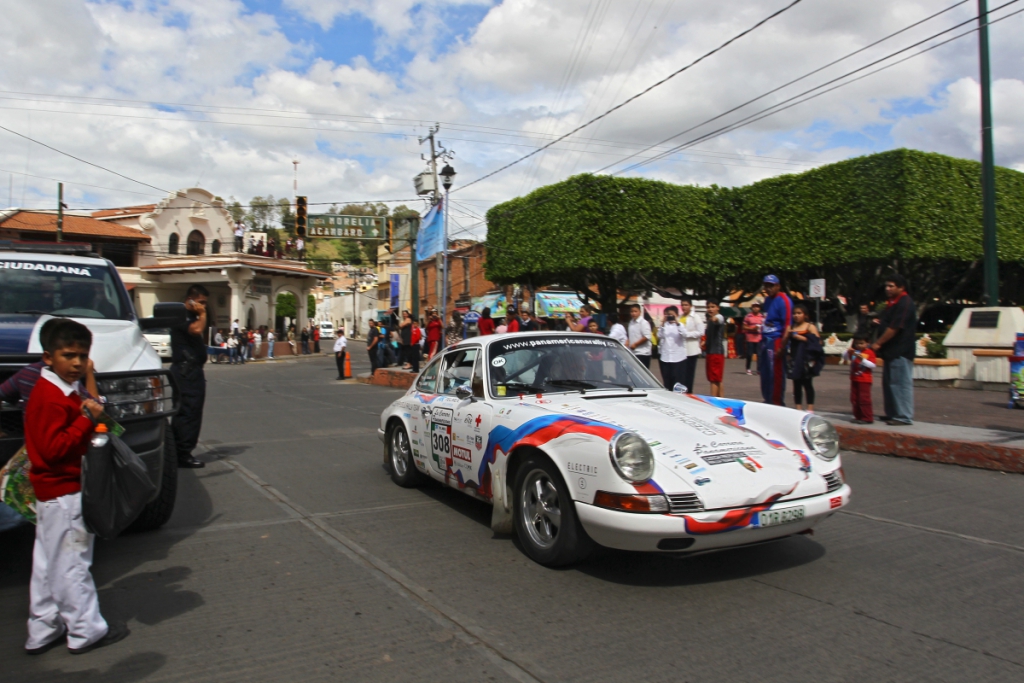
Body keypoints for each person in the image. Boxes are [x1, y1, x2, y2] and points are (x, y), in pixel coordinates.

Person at [23, 319, 130, 655]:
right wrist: (85, 420)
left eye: (82, 356)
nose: (77, 363)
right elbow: (53, 450)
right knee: (72, 563)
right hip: (64, 491)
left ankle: (44, 627)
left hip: (51, 493)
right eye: (69, 355)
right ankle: (85, 630)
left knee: (48, 563)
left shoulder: (54, 390)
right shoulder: (52, 397)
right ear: (48, 357)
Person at [170, 285, 209, 469]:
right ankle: (181, 453)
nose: (203, 307)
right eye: (201, 302)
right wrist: (202, 314)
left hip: (192, 372)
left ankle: (180, 451)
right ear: (190, 300)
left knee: (192, 412)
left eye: (205, 304)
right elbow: (196, 330)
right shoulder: (181, 315)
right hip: (186, 372)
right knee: (188, 412)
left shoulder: (192, 316)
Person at [871, 274, 916, 425]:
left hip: (901, 350)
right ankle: (892, 413)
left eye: (891, 286)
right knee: (889, 383)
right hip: (891, 351)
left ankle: (903, 415)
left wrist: (878, 343)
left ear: (901, 287)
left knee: (900, 383)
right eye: (886, 286)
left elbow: (894, 327)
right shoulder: (892, 303)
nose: (887, 289)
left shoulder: (905, 303)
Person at [758, 275, 792, 406]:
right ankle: (767, 398)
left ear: (778, 286)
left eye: (771, 285)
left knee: (776, 373)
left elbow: (788, 326)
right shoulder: (767, 300)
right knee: (765, 372)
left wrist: (782, 346)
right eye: (766, 285)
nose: (768, 288)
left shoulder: (784, 300)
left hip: (777, 340)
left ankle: (777, 401)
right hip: (765, 340)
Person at [786, 304, 823, 412]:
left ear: (805, 315)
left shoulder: (810, 327)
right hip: (794, 358)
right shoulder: (791, 327)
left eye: (799, 313)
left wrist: (801, 338)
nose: (796, 316)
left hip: (806, 359)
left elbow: (817, 343)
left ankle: (810, 408)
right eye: (794, 313)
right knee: (796, 384)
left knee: (807, 383)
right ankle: (798, 407)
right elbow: (785, 342)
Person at [843, 334, 877, 423]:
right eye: (857, 343)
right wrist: (848, 352)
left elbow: (872, 365)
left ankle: (867, 417)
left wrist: (862, 359)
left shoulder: (869, 352)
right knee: (854, 398)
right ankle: (858, 416)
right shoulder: (855, 352)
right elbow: (845, 357)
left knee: (864, 399)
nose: (859, 345)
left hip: (864, 379)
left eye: (862, 343)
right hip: (854, 378)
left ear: (867, 343)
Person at [677, 299, 704, 395]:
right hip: (681, 351)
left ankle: (689, 393)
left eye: (686, 304)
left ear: (691, 306)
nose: (684, 307)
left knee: (689, 375)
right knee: (681, 375)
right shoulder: (679, 317)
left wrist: (687, 334)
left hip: (691, 350)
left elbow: (701, 332)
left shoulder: (695, 317)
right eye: (682, 305)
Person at [657, 306, 687, 390]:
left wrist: (677, 323)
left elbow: (685, 335)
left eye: (672, 315)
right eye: (668, 315)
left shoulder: (680, 325)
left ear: (677, 315)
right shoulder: (664, 326)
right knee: (667, 380)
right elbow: (659, 336)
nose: (670, 316)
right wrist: (662, 324)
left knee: (677, 381)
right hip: (665, 357)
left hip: (678, 357)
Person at [704, 301, 726, 397]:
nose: (710, 309)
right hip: (711, 352)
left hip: (716, 353)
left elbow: (719, 319)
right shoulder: (709, 321)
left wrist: (715, 319)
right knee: (716, 379)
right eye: (708, 307)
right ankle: (721, 399)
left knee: (714, 379)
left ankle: (713, 401)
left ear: (718, 308)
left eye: (713, 307)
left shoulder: (719, 317)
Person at [626, 304, 653, 368]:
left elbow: (646, 337)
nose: (633, 313)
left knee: (642, 374)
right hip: (633, 352)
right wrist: (627, 342)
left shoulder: (644, 323)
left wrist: (635, 344)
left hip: (643, 353)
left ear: (640, 312)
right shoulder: (631, 322)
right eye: (632, 311)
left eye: (635, 311)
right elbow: (631, 335)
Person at [743, 303, 764, 375]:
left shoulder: (762, 316)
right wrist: (752, 328)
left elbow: (764, 326)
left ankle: (759, 369)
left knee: (760, 354)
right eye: (754, 307)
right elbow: (744, 327)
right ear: (752, 308)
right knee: (749, 354)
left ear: (760, 308)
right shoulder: (748, 316)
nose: (755, 308)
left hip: (759, 338)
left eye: (757, 307)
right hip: (750, 338)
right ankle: (748, 368)